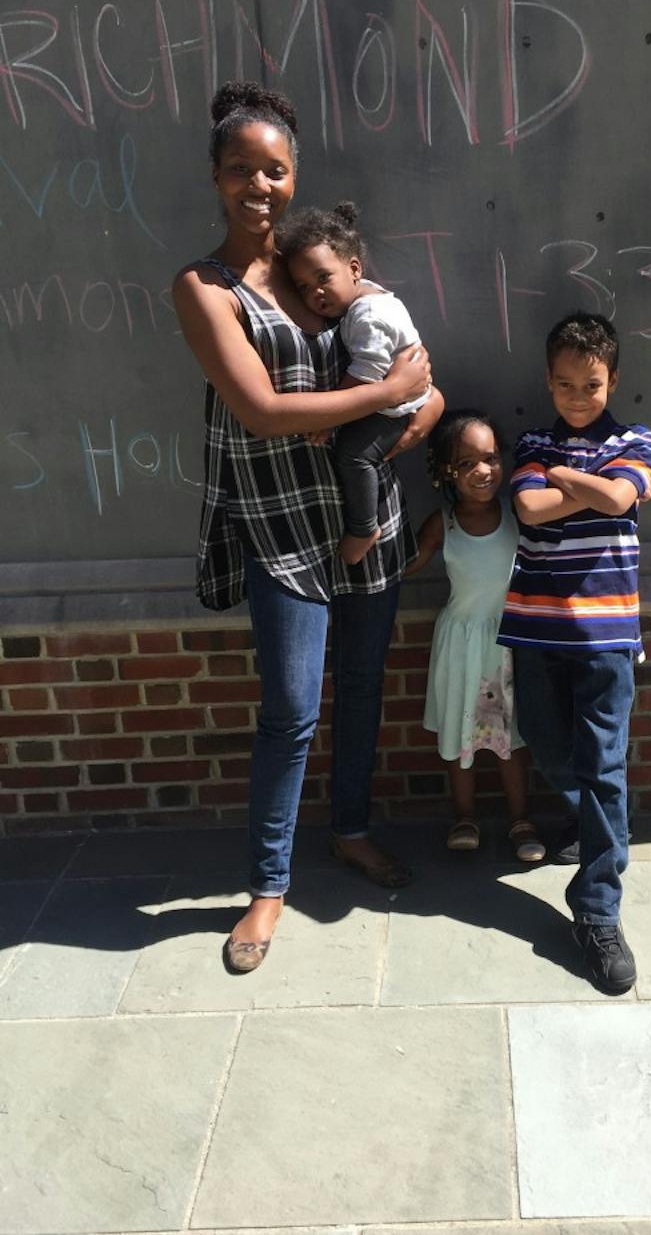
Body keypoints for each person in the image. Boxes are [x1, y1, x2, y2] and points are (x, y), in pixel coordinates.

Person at [173, 80, 442, 974]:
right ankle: (268, 885)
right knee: (291, 712)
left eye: (275, 169)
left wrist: (418, 409)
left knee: (361, 686)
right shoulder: (203, 287)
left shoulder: (315, 269)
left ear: (295, 178)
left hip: (365, 519)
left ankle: (354, 830)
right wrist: (387, 396)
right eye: (242, 168)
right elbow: (257, 410)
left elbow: (419, 379)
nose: (260, 184)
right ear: (216, 176)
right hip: (279, 525)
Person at [497, 312, 651, 994]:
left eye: (590, 384)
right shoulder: (532, 438)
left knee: (602, 764)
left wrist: (571, 481)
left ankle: (596, 909)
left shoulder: (638, 439)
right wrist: (588, 491)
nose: (576, 396)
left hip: (607, 634)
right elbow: (529, 511)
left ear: (613, 378)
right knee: (543, 736)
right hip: (537, 627)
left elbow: (624, 494)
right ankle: (593, 819)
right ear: (547, 380)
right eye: (563, 384)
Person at [408, 410, 545, 863]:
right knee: (462, 732)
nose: (483, 471)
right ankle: (463, 815)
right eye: (467, 463)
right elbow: (404, 566)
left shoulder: (517, 516)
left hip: (507, 645)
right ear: (446, 470)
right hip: (461, 646)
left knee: (511, 737)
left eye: (490, 458)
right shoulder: (441, 525)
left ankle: (520, 818)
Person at [278, 203, 432, 565]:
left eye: (323, 278)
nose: (315, 292)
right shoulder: (366, 297)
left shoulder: (368, 315)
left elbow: (368, 371)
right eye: (303, 287)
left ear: (354, 269)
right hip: (393, 400)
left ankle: (364, 527)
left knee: (354, 454)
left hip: (395, 410)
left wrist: (330, 417)